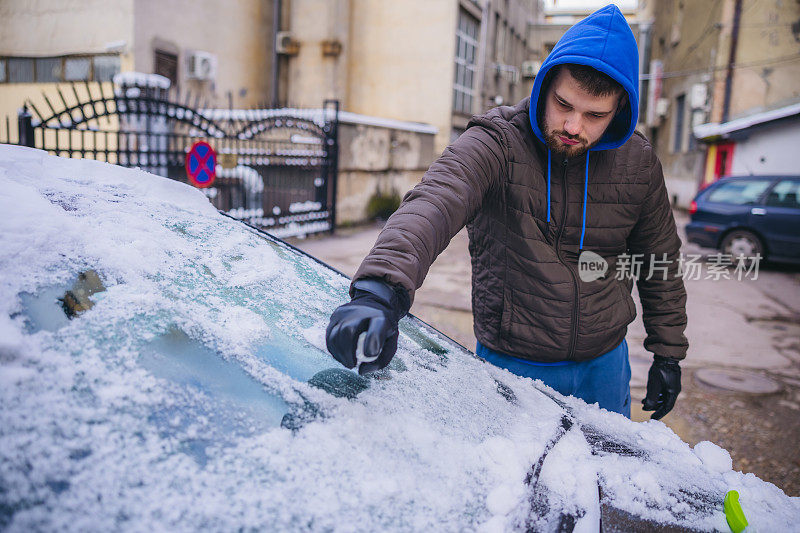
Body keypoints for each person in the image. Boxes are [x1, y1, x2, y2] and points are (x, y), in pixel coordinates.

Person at [325, 4, 687, 420]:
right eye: (563, 104)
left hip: (604, 364)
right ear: (545, 83)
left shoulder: (637, 161)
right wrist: (381, 292)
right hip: (514, 365)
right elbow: (435, 199)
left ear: (620, 107)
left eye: (594, 115)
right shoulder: (498, 140)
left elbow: (661, 259)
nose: (572, 126)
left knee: (603, 480)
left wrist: (668, 353)